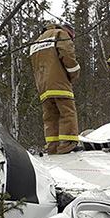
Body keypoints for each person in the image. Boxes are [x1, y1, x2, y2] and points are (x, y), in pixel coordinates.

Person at [29, 22, 81, 155]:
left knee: (50, 116)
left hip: (43, 87)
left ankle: (52, 146)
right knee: (67, 112)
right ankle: (67, 144)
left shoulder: (37, 41)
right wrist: (74, 74)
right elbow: (68, 56)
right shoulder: (60, 34)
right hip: (59, 82)